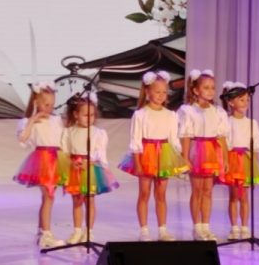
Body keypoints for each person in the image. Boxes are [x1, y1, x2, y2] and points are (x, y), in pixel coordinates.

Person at [119, 70, 189, 241]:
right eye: (157, 91)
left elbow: (173, 140)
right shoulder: (140, 114)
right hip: (147, 154)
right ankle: (144, 230)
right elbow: (135, 140)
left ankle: (162, 230)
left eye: (164, 92)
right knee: (144, 193)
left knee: (161, 194)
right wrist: (138, 163)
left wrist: (180, 159)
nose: (161, 95)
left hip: (164, 155)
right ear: (147, 91)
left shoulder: (171, 115)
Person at [60, 91, 119, 244]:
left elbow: (100, 153)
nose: (90, 118)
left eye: (92, 115)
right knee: (77, 201)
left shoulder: (98, 133)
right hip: (75, 169)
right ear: (76, 114)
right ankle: (77, 231)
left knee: (89, 201)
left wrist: (92, 161)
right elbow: (64, 152)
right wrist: (71, 162)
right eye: (86, 115)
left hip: (91, 169)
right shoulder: (69, 132)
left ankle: (89, 232)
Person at [178, 69, 229, 241]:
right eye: (206, 87)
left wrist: (225, 159)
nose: (210, 91)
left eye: (212, 87)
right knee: (197, 190)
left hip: (212, 151)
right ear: (195, 90)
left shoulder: (218, 111)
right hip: (197, 151)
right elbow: (186, 136)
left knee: (208, 191)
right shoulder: (188, 111)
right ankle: (197, 227)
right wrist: (185, 158)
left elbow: (222, 137)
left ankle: (206, 226)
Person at [14, 82, 66, 249]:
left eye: (52, 105)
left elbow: (63, 139)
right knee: (49, 197)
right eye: (46, 105)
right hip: (42, 160)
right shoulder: (28, 122)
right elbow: (22, 139)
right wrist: (33, 120)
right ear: (36, 102)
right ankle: (46, 235)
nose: (49, 108)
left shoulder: (56, 120)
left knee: (47, 197)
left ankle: (42, 231)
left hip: (57, 159)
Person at [222, 81, 259, 240]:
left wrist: (255, 167)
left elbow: (255, 147)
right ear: (231, 102)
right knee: (234, 196)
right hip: (233, 159)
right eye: (241, 99)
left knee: (245, 197)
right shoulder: (227, 122)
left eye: (247, 99)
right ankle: (234, 227)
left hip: (246, 160)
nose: (245, 102)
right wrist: (225, 162)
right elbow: (225, 143)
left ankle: (245, 227)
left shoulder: (252, 123)